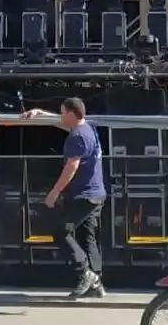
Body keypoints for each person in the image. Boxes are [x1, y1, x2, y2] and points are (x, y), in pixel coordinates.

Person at [19, 96, 106, 298]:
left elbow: (71, 166)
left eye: (61, 112)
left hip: (84, 195)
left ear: (70, 113)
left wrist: (54, 192)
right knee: (87, 236)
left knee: (61, 231)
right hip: (97, 194)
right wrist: (40, 113)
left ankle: (85, 272)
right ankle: (97, 282)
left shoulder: (76, 137)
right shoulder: (88, 128)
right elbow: (60, 123)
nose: (60, 116)